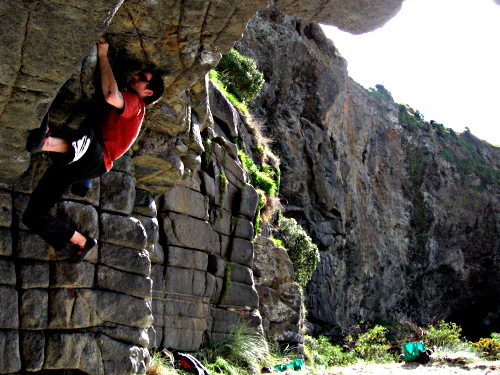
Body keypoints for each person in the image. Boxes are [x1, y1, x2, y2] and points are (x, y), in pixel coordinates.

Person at [22, 38, 165, 261]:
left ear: (147, 93)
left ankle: (46, 143)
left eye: (142, 79)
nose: (136, 77)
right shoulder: (131, 107)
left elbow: (111, 94)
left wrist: (103, 55)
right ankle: (81, 241)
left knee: (88, 134)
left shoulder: (137, 105)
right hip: (84, 163)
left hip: (95, 158)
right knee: (34, 215)